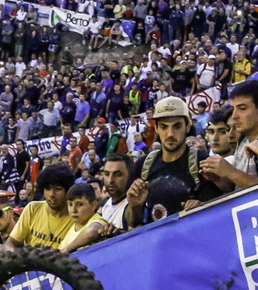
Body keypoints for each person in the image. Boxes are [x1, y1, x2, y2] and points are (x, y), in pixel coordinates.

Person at [125, 97, 222, 227]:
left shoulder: (202, 162)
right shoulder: (142, 165)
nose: (170, 134)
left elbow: (218, 215)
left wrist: (202, 208)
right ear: (156, 128)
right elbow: (131, 222)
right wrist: (134, 207)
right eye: (164, 127)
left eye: (177, 126)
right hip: (155, 238)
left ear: (187, 126)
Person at [3, 164, 75, 251]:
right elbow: (10, 243)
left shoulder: (76, 216)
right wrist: (19, 257)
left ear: (68, 191)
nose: (51, 194)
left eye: (58, 189)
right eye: (47, 189)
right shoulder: (32, 208)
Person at [201, 84, 258, 191]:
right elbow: (238, 187)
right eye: (233, 109)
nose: (234, 116)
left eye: (242, 109)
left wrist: (231, 172)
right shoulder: (242, 141)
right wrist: (219, 178)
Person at [60, 183, 109, 252]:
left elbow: (92, 232)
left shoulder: (97, 220)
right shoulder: (74, 226)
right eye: (70, 204)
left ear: (93, 206)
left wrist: (67, 249)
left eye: (80, 204)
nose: (73, 210)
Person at [99, 152, 133, 230]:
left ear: (130, 176)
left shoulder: (131, 207)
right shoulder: (106, 205)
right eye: (107, 174)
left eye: (118, 175)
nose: (110, 180)